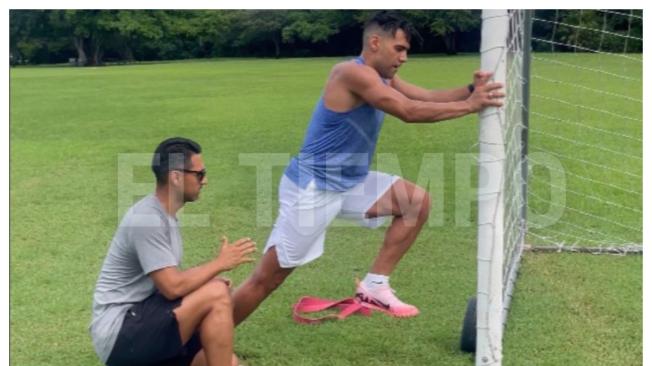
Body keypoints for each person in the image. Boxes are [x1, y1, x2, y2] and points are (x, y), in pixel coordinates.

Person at [232, 11, 504, 323]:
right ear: (375, 42)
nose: (404, 58)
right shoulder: (351, 73)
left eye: (406, 51)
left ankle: (375, 285)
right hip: (313, 188)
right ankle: (202, 341)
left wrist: (472, 91)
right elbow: (407, 110)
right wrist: (470, 106)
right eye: (399, 49)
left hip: (349, 183)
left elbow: (427, 96)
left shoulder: (384, 77)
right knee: (268, 279)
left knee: (414, 201)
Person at [90, 137, 256, 366]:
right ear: (176, 177)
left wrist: (209, 280)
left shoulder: (163, 216)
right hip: (120, 333)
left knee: (223, 360)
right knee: (216, 292)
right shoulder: (147, 219)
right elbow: (172, 287)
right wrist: (220, 263)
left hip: (144, 318)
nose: (205, 181)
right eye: (200, 174)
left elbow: (169, 284)